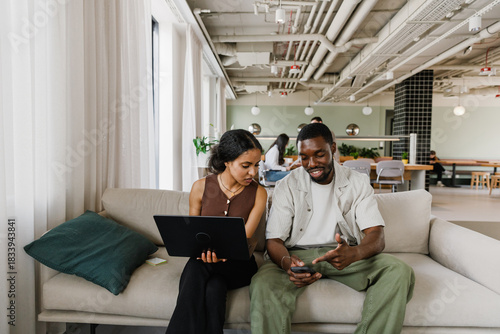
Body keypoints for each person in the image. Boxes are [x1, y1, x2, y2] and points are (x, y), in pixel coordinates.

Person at [250, 123, 415, 334]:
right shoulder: (287, 185)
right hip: (297, 256)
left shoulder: (358, 182)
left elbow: (376, 234)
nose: (311, 164)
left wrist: (355, 253)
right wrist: (286, 264)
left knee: (398, 271)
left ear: (333, 149)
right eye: (304, 157)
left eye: (319, 155)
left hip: (345, 255)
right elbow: (274, 240)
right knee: (263, 281)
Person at [166, 129, 267, 334]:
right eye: (246, 166)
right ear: (227, 161)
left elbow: (243, 239)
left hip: (239, 265)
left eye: (256, 165)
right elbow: (193, 235)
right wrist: (204, 252)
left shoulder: (259, 193)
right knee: (214, 288)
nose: (253, 173)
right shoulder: (200, 187)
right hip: (206, 260)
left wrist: (222, 254)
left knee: (196, 268)